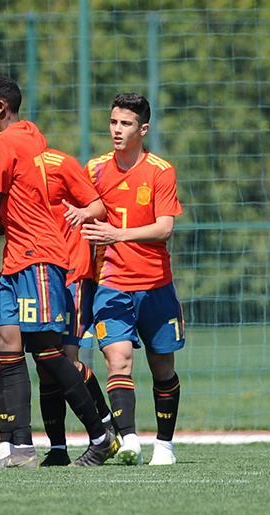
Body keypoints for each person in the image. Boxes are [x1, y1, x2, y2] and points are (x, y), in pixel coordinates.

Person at [0, 76, 117, 468]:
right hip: (14, 262)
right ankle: (21, 448)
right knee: (9, 350)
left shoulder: (4, 143)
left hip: (38, 258)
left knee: (47, 353)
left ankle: (101, 435)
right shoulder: (25, 136)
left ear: (0, 107)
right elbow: (8, 209)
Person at [81, 93, 184, 466]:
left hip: (156, 284)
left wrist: (117, 235)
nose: (117, 130)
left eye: (125, 124)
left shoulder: (160, 170)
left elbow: (164, 228)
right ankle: (128, 440)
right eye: (112, 122)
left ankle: (164, 446)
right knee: (117, 360)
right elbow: (89, 207)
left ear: (143, 129)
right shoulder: (94, 169)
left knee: (163, 369)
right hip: (111, 283)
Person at [36, 147, 116, 466]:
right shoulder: (6, 167)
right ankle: (58, 449)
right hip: (38, 275)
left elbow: (98, 207)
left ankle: (106, 427)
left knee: (63, 359)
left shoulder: (60, 163)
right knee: (45, 365)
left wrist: (84, 213)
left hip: (71, 272)